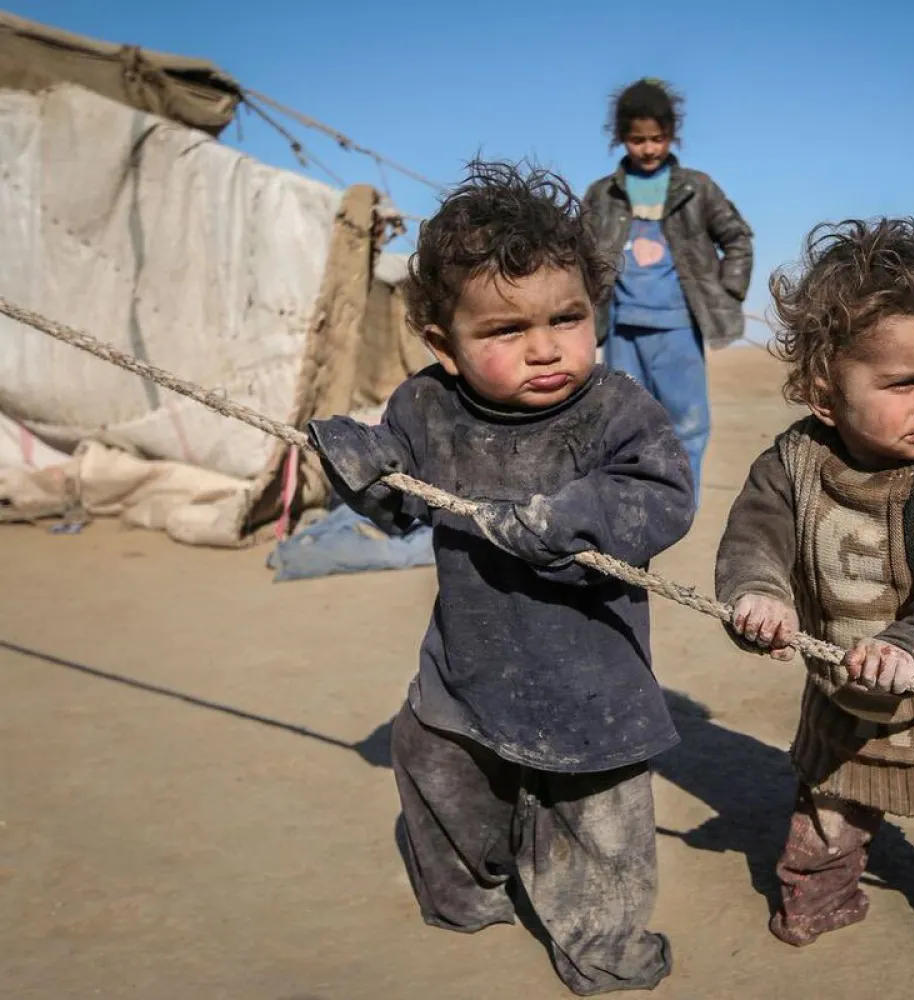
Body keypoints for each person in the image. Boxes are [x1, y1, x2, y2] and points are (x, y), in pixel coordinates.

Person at [305, 160, 694, 996]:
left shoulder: (618, 410)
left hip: (593, 682)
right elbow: (401, 504)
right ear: (444, 345)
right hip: (467, 668)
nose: (547, 347)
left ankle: (602, 944)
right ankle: (470, 894)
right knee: (437, 772)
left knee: (601, 828)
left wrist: (572, 516)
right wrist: (363, 467)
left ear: (598, 312)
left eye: (568, 317)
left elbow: (661, 497)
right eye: (507, 331)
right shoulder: (425, 408)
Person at [714, 218, 914, 972]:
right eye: (903, 382)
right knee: (829, 798)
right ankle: (824, 887)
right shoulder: (791, 462)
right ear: (824, 393)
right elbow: (752, 542)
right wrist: (758, 597)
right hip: (839, 684)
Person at [583, 77, 754, 505]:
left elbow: (737, 238)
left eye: (657, 138)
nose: (648, 149)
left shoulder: (697, 188)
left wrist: (728, 292)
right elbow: (579, 254)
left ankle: (681, 502)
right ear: (621, 138)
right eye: (638, 139)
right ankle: (635, 500)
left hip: (679, 326)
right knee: (624, 420)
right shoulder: (602, 195)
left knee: (687, 421)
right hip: (622, 329)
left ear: (671, 136)